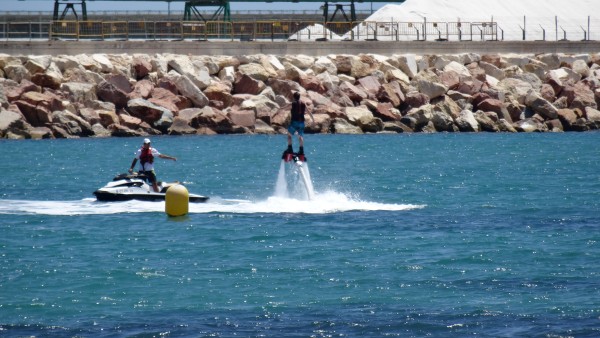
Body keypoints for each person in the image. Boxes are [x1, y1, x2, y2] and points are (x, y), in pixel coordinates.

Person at [285, 91, 314, 156]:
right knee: (300, 136)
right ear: (299, 97)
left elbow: (285, 107)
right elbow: (309, 112)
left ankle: (290, 149)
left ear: (294, 97)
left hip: (294, 122)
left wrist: (280, 108)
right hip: (301, 123)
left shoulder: (293, 103)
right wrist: (313, 120)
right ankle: (301, 151)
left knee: (289, 135)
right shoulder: (303, 104)